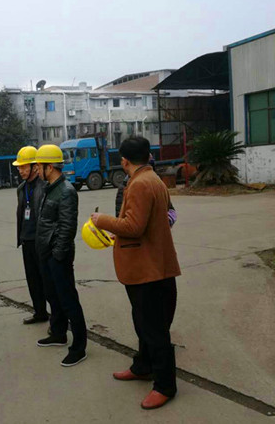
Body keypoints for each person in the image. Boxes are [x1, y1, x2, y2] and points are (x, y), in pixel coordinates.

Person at [91, 136, 181, 410]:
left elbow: (134, 227)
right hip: (148, 265)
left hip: (149, 270)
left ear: (124, 160)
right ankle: (143, 366)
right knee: (143, 323)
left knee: (154, 330)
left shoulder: (141, 183)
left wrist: (103, 220)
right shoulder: (151, 179)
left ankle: (165, 386)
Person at [34, 144, 88, 367]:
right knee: (52, 295)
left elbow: (67, 228)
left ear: (50, 167)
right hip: (46, 252)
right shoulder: (49, 187)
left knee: (68, 300)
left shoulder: (66, 191)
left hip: (58, 256)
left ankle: (79, 347)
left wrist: (57, 255)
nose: (37, 170)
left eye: (39, 166)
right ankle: (58, 333)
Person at [13, 146, 48, 325]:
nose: (20, 170)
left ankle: (58, 319)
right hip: (26, 240)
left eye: (24, 167)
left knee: (47, 281)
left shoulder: (45, 186)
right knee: (32, 280)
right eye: (19, 167)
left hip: (40, 241)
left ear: (35, 167)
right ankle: (40, 312)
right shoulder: (21, 188)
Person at [115, 154, 177, 227]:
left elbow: (171, 210)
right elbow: (121, 218)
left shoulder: (158, 184)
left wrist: (165, 221)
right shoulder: (125, 188)